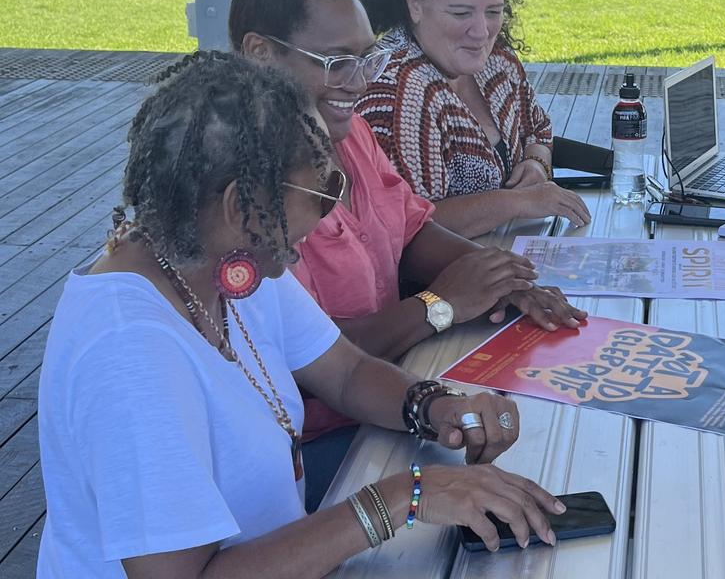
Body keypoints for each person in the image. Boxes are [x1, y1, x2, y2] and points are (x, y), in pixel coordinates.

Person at [38, 53, 567, 577]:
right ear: (237, 206)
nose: (332, 211)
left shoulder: (226, 263)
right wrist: (403, 498)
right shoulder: (129, 351)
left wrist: (434, 406)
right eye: (322, 191)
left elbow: (346, 372)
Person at [227, 0, 586, 512]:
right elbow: (320, 364)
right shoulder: (241, 201)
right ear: (260, 54)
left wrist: (500, 276)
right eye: (334, 61)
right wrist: (440, 306)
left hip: (385, 394)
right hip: (312, 446)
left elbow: (410, 225)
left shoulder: (351, 135)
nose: (358, 81)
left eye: (363, 59)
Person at [353, 0, 591, 239]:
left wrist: (537, 162)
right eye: (461, 13)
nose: (482, 32)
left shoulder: (496, 64)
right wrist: (517, 202)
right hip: (439, 288)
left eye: (493, 12)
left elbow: (536, 127)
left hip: (504, 259)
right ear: (414, 3)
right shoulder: (392, 91)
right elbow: (406, 223)